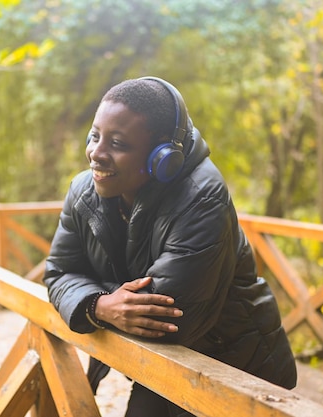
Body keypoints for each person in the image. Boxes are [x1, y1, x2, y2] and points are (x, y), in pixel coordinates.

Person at [43, 76, 297, 417]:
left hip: (235, 368)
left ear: (163, 156)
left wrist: (95, 296)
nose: (96, 153)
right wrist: (100, 306)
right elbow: (59, 273)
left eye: (117, 143)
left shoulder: (203, 198)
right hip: (166, 365)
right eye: (94, 136)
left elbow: (165, 320)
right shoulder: (83, 191)